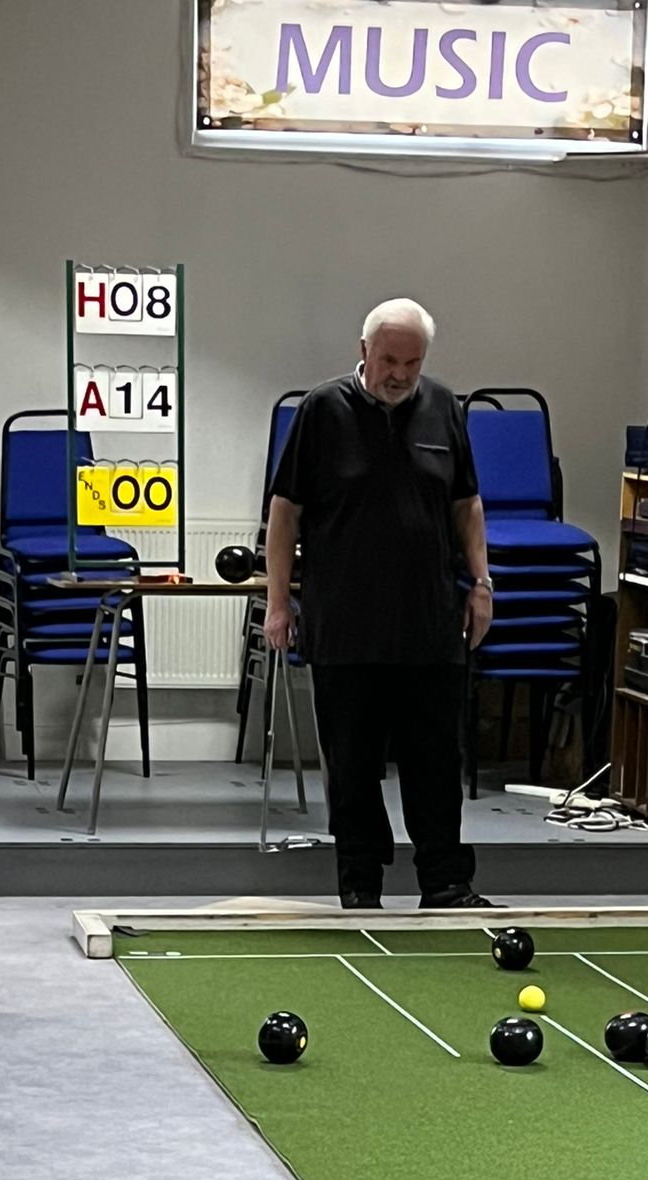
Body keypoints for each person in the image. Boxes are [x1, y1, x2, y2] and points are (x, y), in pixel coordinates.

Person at [264, 297, 493, 911]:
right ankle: (360, 884)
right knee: (354, 765)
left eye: (412, 363)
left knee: (436, 763)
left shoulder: (445, 407)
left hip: (428, 621)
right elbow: (285, 512)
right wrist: (278, 602)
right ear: (364, 351)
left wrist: (482, 583)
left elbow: (466, 503)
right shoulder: (320, 411)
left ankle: (446, 883)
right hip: (345, 622)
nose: (400, 373)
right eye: (389, 359)